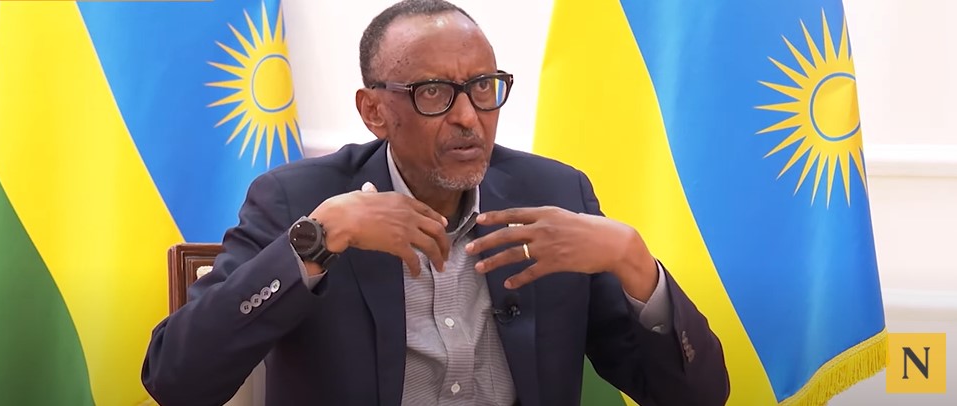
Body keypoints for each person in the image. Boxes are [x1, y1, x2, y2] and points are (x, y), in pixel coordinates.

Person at [142, 1, 729, 405]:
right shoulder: (298, 200)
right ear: (374, 111)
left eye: (483, 87)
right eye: (434, 93)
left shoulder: (554, 196)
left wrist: (634, 262)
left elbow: (694, 397)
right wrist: (317, 241)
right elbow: (176, 380)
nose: (469, 117)